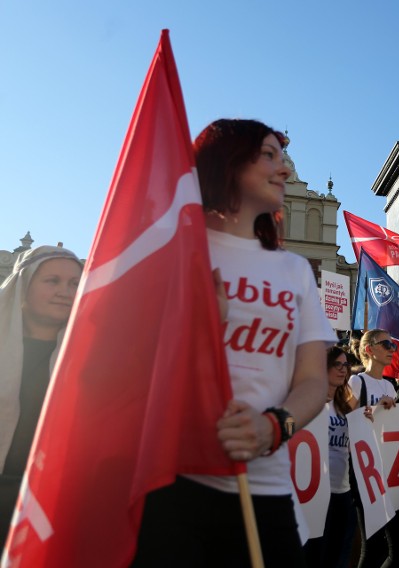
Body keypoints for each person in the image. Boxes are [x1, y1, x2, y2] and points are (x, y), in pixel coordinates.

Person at [133, 119, 336, 567]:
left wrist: (275, 425)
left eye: (283, 159)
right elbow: (129, 365)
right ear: (227, 163)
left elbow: (312, 382)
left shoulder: (295, 270)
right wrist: (200, 329)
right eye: (268, 156)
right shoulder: (177, 249)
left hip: (265, 486)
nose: (283, 170)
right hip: (174, 480)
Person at [0, 245, 82, 542]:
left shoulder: (92, 358)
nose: (66, 291)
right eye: (52, 281)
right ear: (24, 285)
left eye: (75, 283)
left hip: (46, 504)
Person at [304, 346, 367, 568]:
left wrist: (373, 414)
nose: (343, 370)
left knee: (340, 556)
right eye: (337, 365)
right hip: (316, 494)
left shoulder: (346, 405)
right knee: (316, 556)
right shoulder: (307, 402)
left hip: (343, 492)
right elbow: (289, 429)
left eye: (346, 365)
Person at [347, 328, 397, 568]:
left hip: (385, 470)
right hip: (363, 471)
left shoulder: (390, 386)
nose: (392, 349)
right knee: (373, 545)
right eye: (386, 344)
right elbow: (342, 420)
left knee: (385, 547)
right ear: (369, 350)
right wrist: (373, 410)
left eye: (393, 345)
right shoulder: (357, 381)